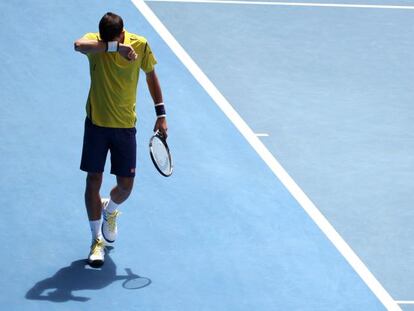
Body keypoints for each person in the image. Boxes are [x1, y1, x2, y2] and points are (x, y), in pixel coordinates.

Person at [74, 12, 168, 267]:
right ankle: (96, 241)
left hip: (125, 127)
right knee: (93, 181)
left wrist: (161, 114)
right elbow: (78, 45)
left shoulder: (141, 44)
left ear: (124, 31)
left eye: (113, 40)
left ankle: (110, 210)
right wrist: (114, 48)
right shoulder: (97, 43)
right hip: (96, 125)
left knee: (125, 186)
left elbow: (151, 76)